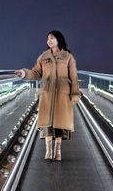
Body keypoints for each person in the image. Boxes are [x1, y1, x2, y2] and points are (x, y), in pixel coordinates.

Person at [15, 31, 80, 161]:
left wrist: (75, 94)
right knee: (48, 124)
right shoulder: (43, 57)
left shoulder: (68, 57)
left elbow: (73, 77)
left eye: (52, 38)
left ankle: (58, 151)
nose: (49, 41)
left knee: (60, 125)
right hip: (47, 94)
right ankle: (49, 150)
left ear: (58, 40)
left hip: (63, 95)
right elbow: (36, 72)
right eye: (48, 39)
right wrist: (24, 73)